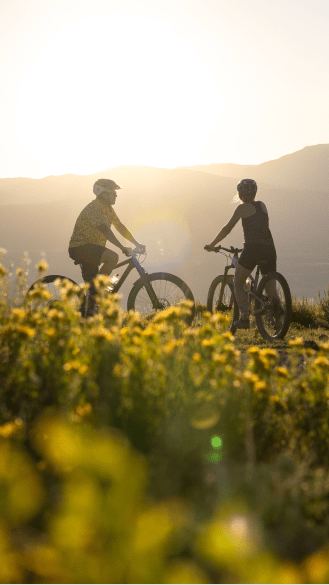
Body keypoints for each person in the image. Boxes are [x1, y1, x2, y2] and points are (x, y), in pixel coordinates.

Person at [205, 178, 279, 329]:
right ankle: (279, 320)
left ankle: (245, 318)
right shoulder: (262, 205)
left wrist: (212, 245)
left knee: (238, 282)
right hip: (270, 249)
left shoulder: (242, 208)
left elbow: (227, 228)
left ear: (240, 193)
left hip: (253, 249)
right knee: (271, 289)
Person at [69, 178, 145, 315]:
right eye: (113, 193)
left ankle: (91, 303)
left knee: (93, 290)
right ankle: (96, 293)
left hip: (92, 249)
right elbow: (106, 230)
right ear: (103, 193)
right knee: (112, 257)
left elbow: (120, 227)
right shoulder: (94, 208)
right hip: (81, 248)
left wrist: (136, 243)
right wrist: (122, 247)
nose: (116, 196)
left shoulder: (108, 209)